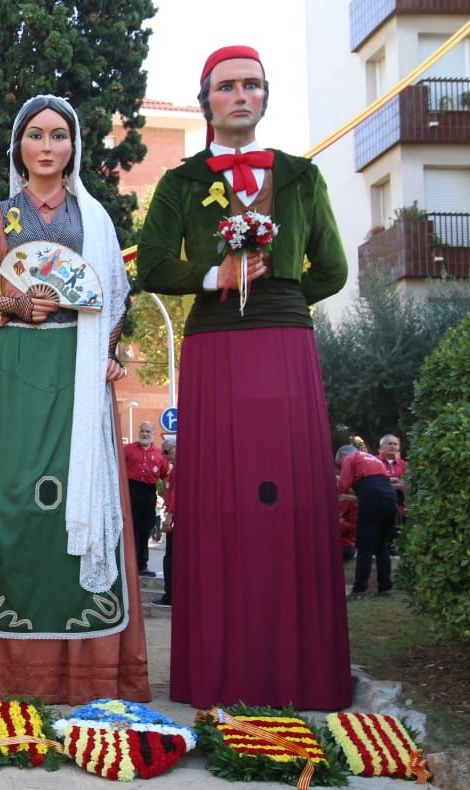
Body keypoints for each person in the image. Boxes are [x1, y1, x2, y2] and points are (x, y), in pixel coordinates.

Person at [137, 46, 351, 710]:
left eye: (251, 86)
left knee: (288, 493)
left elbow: (334, 269)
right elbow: (150, 267)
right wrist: (215, 279)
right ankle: (216, 673)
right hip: (213, 347)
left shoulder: (301, 177)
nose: (240, 96)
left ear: (265, 97)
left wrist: (280, 294)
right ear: (208, 101)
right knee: (220, 493)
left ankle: (302, 672)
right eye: (226, 87)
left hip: (285, 342)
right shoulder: (180, 182)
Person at [0, 94, 150, 704]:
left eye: (58, 135)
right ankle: (4, 668)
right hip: (16, 366)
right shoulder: (1, 217)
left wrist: (109, 348)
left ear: (73, 147)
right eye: (35, 134)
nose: (47, 145)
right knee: (11, 502)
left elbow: (114, 296)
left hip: (81, 367)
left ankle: (85, 670)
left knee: (80, 499)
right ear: (20, 146)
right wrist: (12, 303)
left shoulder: (95, 220)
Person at [336, 444, 397, 598]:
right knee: (382, 546)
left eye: (339, 464)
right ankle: (385, 588)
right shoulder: (374, 460)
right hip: (390, 499)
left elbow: (343, 485)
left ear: (344, 455)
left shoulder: (351, 457)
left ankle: (359, 590)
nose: (341, 467)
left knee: (364, 547)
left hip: (371, 501)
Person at [122, 421, 170, 577]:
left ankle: (142, 565)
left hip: (148, 493)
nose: (145, 434)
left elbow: (164, 477)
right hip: (130, 491)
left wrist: (168, 500)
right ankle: (127, 564)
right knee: (129, 528)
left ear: (153, 434)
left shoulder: (159, 454)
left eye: (148, 431)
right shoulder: (127, 450)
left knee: (145, 530)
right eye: (142, 430)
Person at [154, 438, 177, 608]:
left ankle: (170, 596)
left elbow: (175, 496)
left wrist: (168, 517)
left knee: (170, 558)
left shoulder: (178, 470)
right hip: (174, 517)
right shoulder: (174, 469)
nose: (164, 455)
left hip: (175, 520)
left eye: (166, 451)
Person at [377, 433, 408, 525]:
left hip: (400, 506)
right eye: (389, 444)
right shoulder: (373, 462)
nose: (393, 446)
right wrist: (394, 485)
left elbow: (409, 484)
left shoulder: (404, 465)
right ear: (381, 446)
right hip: (379, 505)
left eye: (395, 444)